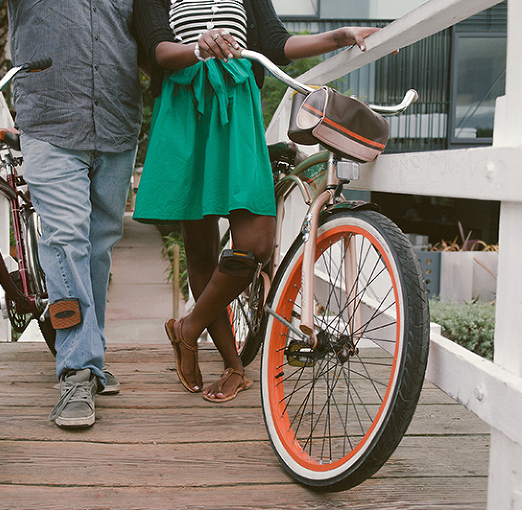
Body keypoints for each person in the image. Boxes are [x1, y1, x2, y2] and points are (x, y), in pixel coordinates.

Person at [132, 0, 382, 402]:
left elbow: (277, 43)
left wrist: (338, 37)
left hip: (238, 110)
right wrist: (199, 48)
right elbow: (160, 51)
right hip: (185, 113)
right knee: (200, 251)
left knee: (256, 244)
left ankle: (188, 329)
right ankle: (233, 366)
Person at [0, 0, 143, 428]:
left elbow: (151, 31)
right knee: (66, 239)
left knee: (99, 245)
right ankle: (76, 369)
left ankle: (89, 357)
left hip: (116, 122)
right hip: (50, 123)